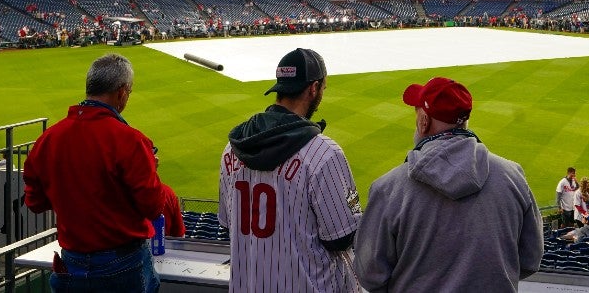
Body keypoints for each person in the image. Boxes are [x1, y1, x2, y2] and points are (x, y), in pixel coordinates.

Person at [353, 76, 543, 292]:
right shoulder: (513, 176)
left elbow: (370, 275)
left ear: (424, 121)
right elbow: (530, 260)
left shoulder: (388, 189)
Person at [218, 48, 361, 293]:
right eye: (322, 88)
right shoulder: (323, 153)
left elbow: (226, 224)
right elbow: (341, 237)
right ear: (313, 88)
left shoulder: (231, 150)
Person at [23, 53, 165, 292]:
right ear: (121, 92)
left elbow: (35, 202)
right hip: (123, 264)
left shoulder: (48, 139)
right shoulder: (130, 140)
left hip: (71, 262)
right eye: (128, 92)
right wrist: (151, 168)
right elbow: (153, 206)